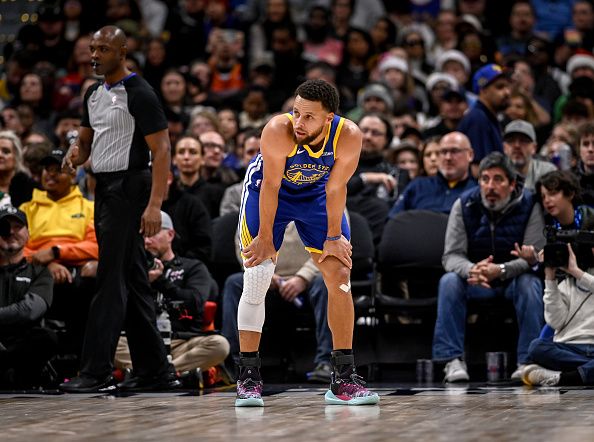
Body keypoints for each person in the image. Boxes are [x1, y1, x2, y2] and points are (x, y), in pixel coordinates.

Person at [235, 79, 378, 406]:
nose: (298, 122)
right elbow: (271, 185)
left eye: (308, 117)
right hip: (270, 193)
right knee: (257, 276)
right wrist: (265, 239)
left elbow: (335, 189)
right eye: (296, 113)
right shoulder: (276, 130)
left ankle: (342, 378)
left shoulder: (349, 136)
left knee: (341, 277)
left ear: (329, 118)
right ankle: (248, 376)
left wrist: (332, 237)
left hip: (317, 196)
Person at [59, 26, 176, 393]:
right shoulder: (93, 93)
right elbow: (86, 141)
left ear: (123, 52)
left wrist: (155, 204)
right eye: (93, 48)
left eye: (104, 49)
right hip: (106, 189)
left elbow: (162, 150)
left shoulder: (140, 92)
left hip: (131, 187)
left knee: (110, 280)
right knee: (134, 279)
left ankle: (96, 371)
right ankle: (155, 369)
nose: (95, 55)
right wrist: (74, 153)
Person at [433, 152, 545, 383]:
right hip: (477, 281)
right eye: (485, 179)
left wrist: (502, 270)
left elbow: (533, 256)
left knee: (530, 283)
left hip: (513, 280)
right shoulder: (464, 204)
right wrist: (473, 269)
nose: (490, 186)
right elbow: (451, 256)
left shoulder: (530, 203)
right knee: (449, 281)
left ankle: (528, 361)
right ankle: (452, 361)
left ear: (512, 183)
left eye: (498, 180)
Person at [115, 212, 230, 386]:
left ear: (170, 235)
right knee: (108, 344)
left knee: (219, 345)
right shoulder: (132, 271)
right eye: (143, 236)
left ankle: (155, 373)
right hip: (143, 344)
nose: (146, 241)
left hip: (182, 343)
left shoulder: (192, 267)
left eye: (152, 233)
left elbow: (195, 303)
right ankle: (175, 374)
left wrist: (162, 282)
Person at [19, 149, 98, 355]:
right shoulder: (26, 209)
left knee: (91, 278)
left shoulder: (89, 208)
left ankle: (81, 358)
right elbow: (16, 247)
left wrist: (56, 252)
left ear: (73, 176)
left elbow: (96, 246)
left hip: (77, 272)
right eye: (47, 169)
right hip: (35, 269)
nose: (51, 174)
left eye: (58, 170)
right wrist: (47, 263)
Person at [522, 242, 594, 386]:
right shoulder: (566, 284)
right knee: (536, 346)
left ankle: (564, 378)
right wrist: (550, 279)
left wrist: (576, 272)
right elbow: (555, 322)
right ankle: (587, 370)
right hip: (568, 348)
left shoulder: (578, 275)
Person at [0, 206, 56, 389]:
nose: (11, 232)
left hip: (22, 344)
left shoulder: (40, 272)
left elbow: (30, 311)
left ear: (29, 234)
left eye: (18, 226)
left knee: (45, 337)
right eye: (5, 226)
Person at [389, 132, 477, 217]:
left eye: (454, 151)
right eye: (443, 152)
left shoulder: (477, 192)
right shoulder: (417, 186)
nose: (448, 157)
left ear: (470, 155)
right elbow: (393, 220)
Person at [457, 64, 511, 173]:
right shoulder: (478, 118)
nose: (507, 92)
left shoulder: (489, 117)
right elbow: (477, 169)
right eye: (500, 87)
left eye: (507, 86)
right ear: (483, 90)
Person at [503, 120, 556, 192]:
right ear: (504, 147)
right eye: (511, 140)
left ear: (534, 148)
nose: (517, 145)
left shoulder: (546, 171)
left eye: (523, 141)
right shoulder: (496, 172)